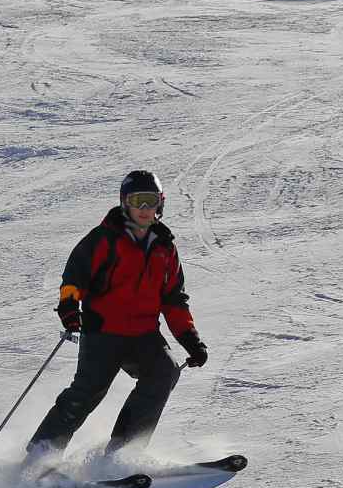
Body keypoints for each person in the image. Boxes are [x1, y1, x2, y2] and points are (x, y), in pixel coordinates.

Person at [23, 170, 208, 468]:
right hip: (104, 332)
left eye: (150, 201)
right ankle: (41, 455)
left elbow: (174, 300)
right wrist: (69, 307)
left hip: (144, 334)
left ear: (160, 203)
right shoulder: (103, 239)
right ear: (125, 203)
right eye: (137, 201)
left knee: (164, 372)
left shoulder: (165, 247)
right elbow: (74, 278)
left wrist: (190, 339)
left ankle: (123, 452)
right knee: (87, 391)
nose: (144, 208)